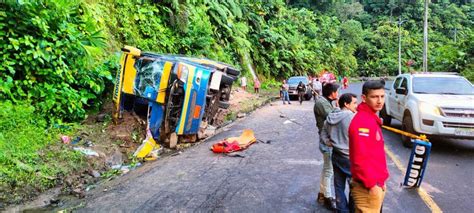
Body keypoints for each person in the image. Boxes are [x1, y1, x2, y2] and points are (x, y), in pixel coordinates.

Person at [349, 80, 389, 213]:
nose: (379, 101)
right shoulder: (363, 122)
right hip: (367, 187)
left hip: (375, 184)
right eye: (374, 97)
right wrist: (372, 185)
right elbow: (360, 157)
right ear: (364, 98)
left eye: (382, 96)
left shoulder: (371, 118)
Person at [320, 93, 358, 213]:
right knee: (354, 186)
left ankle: (342, 210)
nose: (356, 106)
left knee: (338, 186)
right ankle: (352, 209)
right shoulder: (352, 117)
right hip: (350, 156)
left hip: (336, 155)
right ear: (346, 104)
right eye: (354, 103)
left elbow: (323, 134)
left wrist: (328, 142)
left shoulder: (331, 117)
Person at [314, 82, 339, 210]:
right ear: (332, 93)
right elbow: (333, 117)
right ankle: (328, 197)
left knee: (326, 169)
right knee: (329, 170)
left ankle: (322, 194)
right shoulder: (321, 103)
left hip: (328, 139)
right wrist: (340, 107)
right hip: (327, 140)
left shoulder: (326, 102)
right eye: (337, 91)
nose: (338, 94)